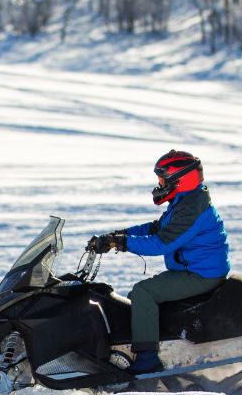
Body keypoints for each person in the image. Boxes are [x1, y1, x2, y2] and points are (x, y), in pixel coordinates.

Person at [88, 150, 230, 374]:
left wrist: (122, 243)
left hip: (201, 274)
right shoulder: (187, 201)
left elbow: (162, 242)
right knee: (137, 297)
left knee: (144, 293)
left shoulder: (192, 208)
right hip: (191, 269)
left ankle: (148, 360)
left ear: (180, 179)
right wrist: (118, 235)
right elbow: (157, 227)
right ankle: (160, 343)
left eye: (162, 179)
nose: (159, 184)